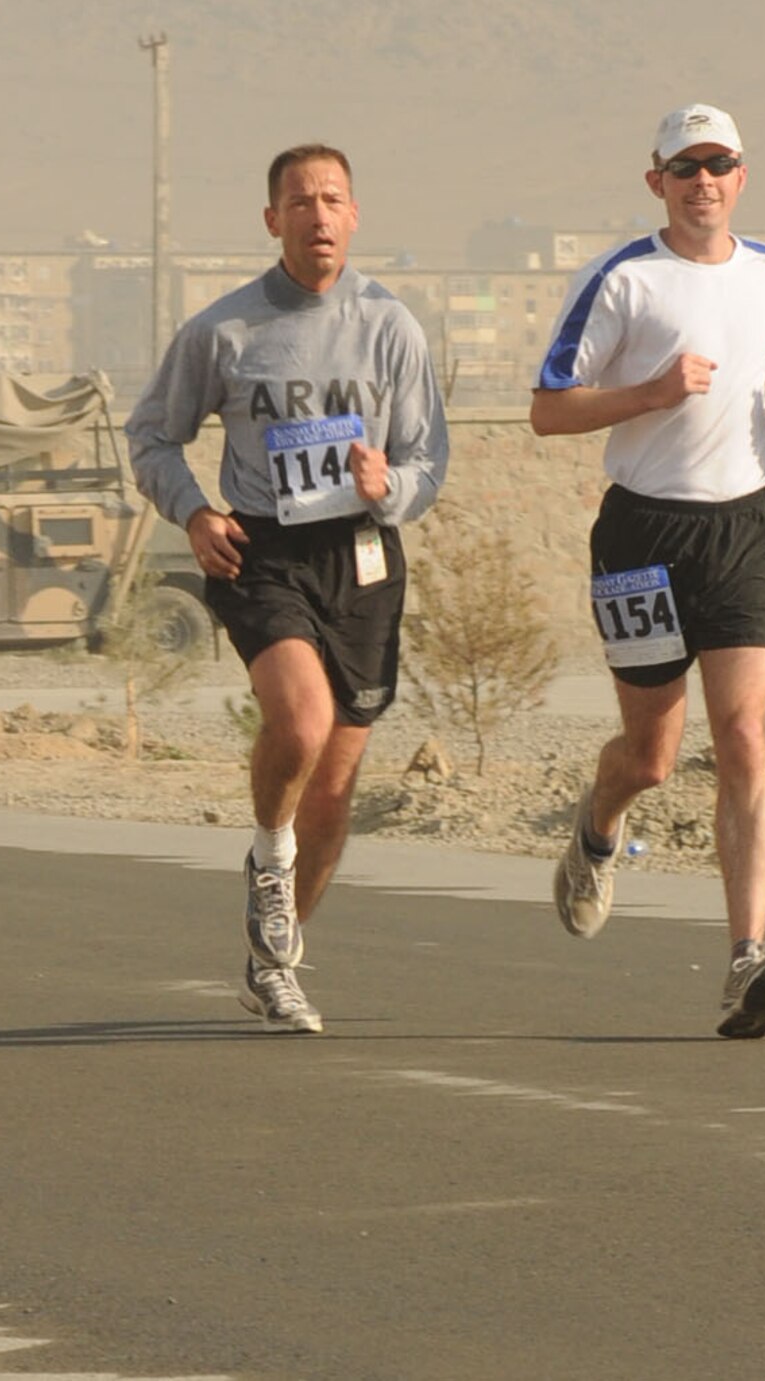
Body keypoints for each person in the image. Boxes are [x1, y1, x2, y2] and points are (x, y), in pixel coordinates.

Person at [530, 103, 765, 1040]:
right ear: (656, 180)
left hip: (744, 527)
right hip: (642, 536)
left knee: (742, 733)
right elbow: (548, 410)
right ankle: (597, 827)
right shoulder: (623, 281)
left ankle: (745, 962)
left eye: (721, 163)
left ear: (743, 176)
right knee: (653, 760)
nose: (703, 179)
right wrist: (652, 394)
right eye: (685, 166)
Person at [127, 144, 448, 1033]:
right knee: (300, 722)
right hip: (261, 551)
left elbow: (430, 458)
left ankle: (277, 958)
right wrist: (193, 513)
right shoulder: (223, 331)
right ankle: (270, 855)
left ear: (355, 215)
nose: (317, 215)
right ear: (272, 220)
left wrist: (394, 486)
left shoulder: (392, 327)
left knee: (336, 786)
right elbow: (152, 436)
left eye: (333, 198)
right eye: (299, 201)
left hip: (364, 558)